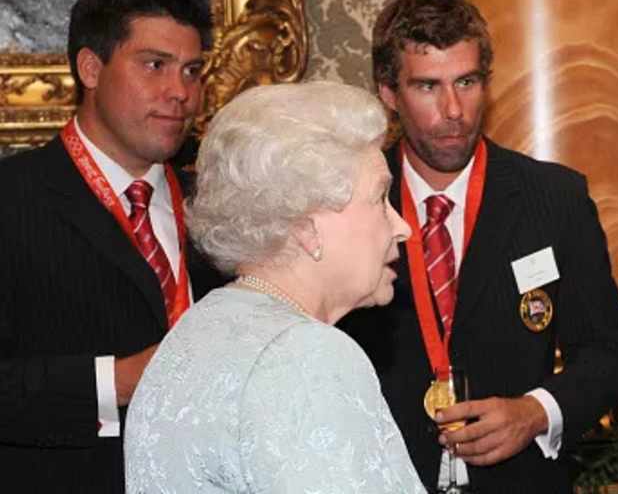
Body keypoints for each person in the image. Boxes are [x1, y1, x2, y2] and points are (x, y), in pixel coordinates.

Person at [337, 0, 618, 493]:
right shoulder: (345, 201)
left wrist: (535, 413)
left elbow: (607, 355)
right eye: (428, 87)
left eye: (466, 82)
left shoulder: (554, 198)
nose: (453, 110)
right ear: (388, 93)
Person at [124, 82, 425, 492]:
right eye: (380, 198)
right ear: (306, 227)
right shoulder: (305, 357)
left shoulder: (198, 330)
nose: (403, 227)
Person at [0, 0, 225, 491]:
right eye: (155, 65)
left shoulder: (218, 198)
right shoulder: (12, 199)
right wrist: (114, 383)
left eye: (192, 71)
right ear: (91, 68)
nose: (181, 93)